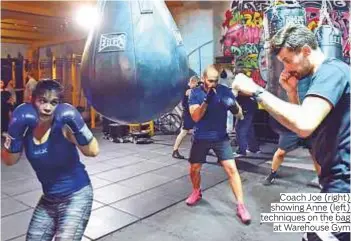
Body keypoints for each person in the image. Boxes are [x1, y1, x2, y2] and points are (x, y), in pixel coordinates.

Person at [232, 24, 350, 241]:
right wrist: (292, 93)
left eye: (287, 60)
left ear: (306, 51)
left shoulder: (332, 72)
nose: (286, 68)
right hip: (334, 182)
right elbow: (306, 132)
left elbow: (304, 123)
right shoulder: (315, 79)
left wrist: (257, 91)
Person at [1, 79, 99, 241]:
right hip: (49, 200)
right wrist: (13, 134)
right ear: (32, 100)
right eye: (42, 101)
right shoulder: (25, 129)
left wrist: (78, 125)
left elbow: (93, 151)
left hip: (77, 195)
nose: (47, 108)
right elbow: (9, 161)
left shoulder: (64, 126)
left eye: (53, 103)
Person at [186, 64, 251, 225]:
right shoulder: (195, 93)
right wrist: (206, 101)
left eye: (215, 80)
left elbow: (240, 114)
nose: (213, 84)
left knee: (232, 170)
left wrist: (235, 107)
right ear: (203, 79)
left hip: (220, 137)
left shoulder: (224, 90)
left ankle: (241, 206)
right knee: (194, 169)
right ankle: (196, 191)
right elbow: (195, 117)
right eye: (210, 81)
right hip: (201, 137)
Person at [264, 76, 321, 185]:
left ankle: (321, 178)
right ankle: (272, 174)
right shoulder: (284, 83)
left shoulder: (311, 83)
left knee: (315, 153)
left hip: (306, 124)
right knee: (280, 152)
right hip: (291, 127)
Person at [172, 75, 200, 159]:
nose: (197, 85)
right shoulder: (187, 90)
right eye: (196, 84)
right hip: (187, 114)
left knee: (199, 129)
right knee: (184, 132)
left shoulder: (192, 89)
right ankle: (175, 150)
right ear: (192, 82)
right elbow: (184, 104)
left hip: (193, 113)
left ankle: (202, 148)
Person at [234, 92, 260, 156]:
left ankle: (241, 151)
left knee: (240, 130)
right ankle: (253, 148)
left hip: (245, 108)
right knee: (249, 130)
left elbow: (243, 92)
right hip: (249, 107)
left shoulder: (243, 87)